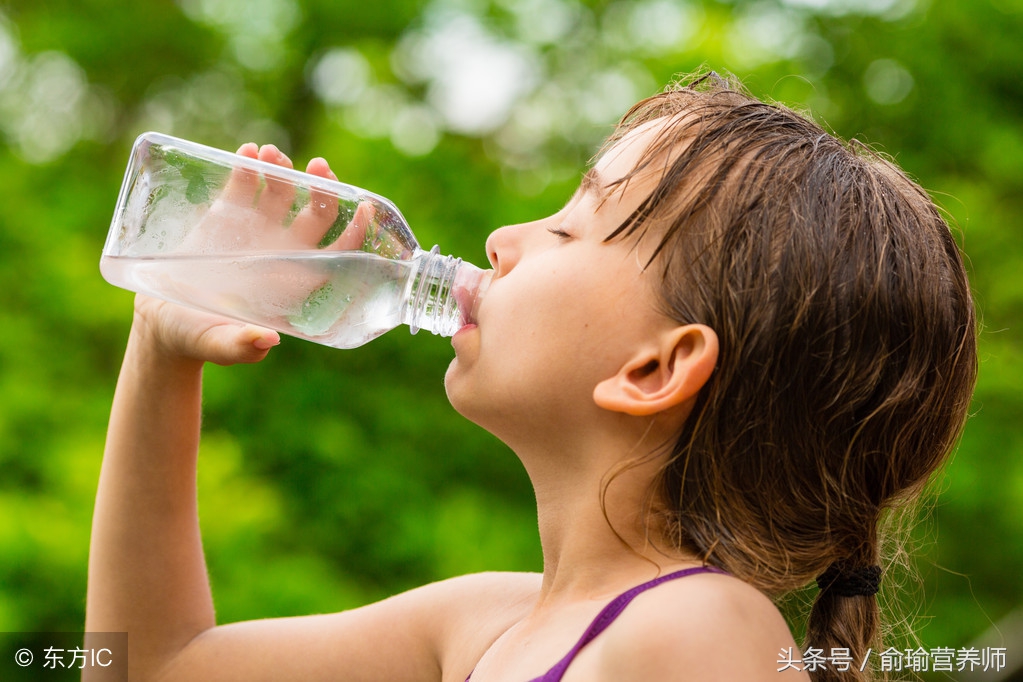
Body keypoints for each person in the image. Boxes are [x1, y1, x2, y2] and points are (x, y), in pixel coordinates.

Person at [85, 71, 977, 681]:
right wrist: (162, 341)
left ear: (654, 368)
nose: (501, 242)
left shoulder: (699, 629)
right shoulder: (480, 626)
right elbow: (154, 663)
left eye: (566, 227)